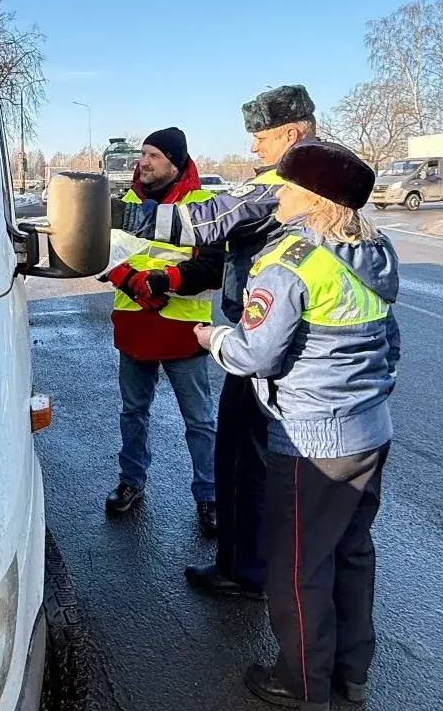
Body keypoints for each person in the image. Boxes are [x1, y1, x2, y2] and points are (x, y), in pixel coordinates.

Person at [194, 139, 400, 711]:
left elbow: (257, 354)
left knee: (296, 569)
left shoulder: (291, 263)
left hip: (312, 442)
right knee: (352, 553)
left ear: (310, 197)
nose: (275, 195)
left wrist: (215, 340)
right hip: (371, 431)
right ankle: (350, 676)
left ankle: (302, 684)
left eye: (284, 187)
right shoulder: (375, 251)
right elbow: (389, 343)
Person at [154, 85, 318, 599]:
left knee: (244, 458)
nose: (253, 148)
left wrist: (116, 216)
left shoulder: (292, 182)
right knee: (246, 455)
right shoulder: (318, 176)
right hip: (268, 338)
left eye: (261, 136)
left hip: (261, 344)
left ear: (292, 133)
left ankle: (245, 569)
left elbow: (210, 219)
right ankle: (248, 560)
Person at [102, 128, 225, 535]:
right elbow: (102, 255)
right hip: (135, 326)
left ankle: (209, 498)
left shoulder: (203, 205)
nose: (144, 162)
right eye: (143, 154)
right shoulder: (128, 203)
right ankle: (131, 482)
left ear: (175, 160)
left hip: (182, 331)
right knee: (133, 412)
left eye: (153, 155)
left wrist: (164, 280)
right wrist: (131, 281)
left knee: (199, 419)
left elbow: (211, 268)